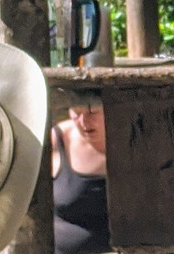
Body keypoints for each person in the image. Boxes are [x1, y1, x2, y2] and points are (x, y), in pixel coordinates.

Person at [52, 91, 110, 254]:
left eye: (92, 113)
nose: (84, 121)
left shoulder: (135, 139)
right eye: (77, 113)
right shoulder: (57, 140)